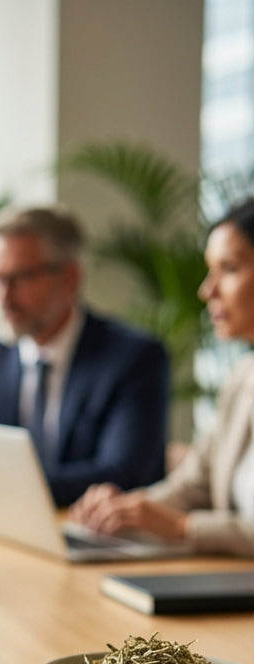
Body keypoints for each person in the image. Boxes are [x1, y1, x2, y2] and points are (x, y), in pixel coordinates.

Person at [0, 205, 170, 507]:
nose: (4, 296)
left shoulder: (132, 359)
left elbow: (123, 474)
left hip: (96, 540)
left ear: (69, 278)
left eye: (20, 278)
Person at [71, 198, 254, 555]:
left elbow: (186, 520)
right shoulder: (243, 377)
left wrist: (185, 528)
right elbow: (197, 482)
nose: (207, 291)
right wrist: (127, 509)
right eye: (209, 272)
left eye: (228, 269)